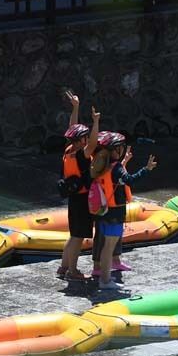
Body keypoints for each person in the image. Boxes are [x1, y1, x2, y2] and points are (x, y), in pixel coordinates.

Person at [89, 131, 158, 291]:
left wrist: (125, 161)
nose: (121, 150)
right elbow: (130, 180)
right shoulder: (116, 168)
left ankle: (104, 276)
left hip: (102, 211)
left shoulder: (99, 164)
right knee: (109, 246)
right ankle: (105, 281)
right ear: (115, 150)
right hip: (115, 212)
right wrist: (146, 169)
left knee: (106, 244)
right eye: (119, 148)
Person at [58, 96, 99, 282]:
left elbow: (71, 128)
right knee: (78, 237)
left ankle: (64, 266)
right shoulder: (83, 154)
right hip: (82, 199)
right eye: (84, 136)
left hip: (73, 198)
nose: (86, 138)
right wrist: (96, 122)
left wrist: (75, 107)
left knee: (73, 234)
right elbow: (93, 143)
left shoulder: (68, 151)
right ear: (81, 140)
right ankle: (72, 271)